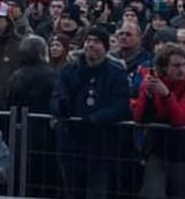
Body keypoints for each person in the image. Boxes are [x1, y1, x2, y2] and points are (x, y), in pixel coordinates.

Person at [50, 26, 131, 199]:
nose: (90, 45)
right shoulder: (69, 70)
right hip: (70, 143)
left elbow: (121, 106)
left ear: (105, 47)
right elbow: (56, 96)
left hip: (100, 145)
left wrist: (95, 119)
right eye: (88, 40)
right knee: (72, 192)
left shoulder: (116, 74)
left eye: (96, 41)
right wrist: (61, 108)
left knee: (97, 191)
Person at [133, 44, 185, 199]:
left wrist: (166, 95)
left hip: (183, 153)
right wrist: (148, 94)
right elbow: (140, 117)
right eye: (176, 65)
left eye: (184, 65)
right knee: (151, 193)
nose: (181, 70)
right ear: (164, 67)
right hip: (158, 150)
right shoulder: (152, 81)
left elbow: (181, 119)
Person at [6, 35, 57, 113]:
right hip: (43, 120)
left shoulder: (16, 76)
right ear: (42, 52)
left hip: (17, 121)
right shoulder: (51, 75)